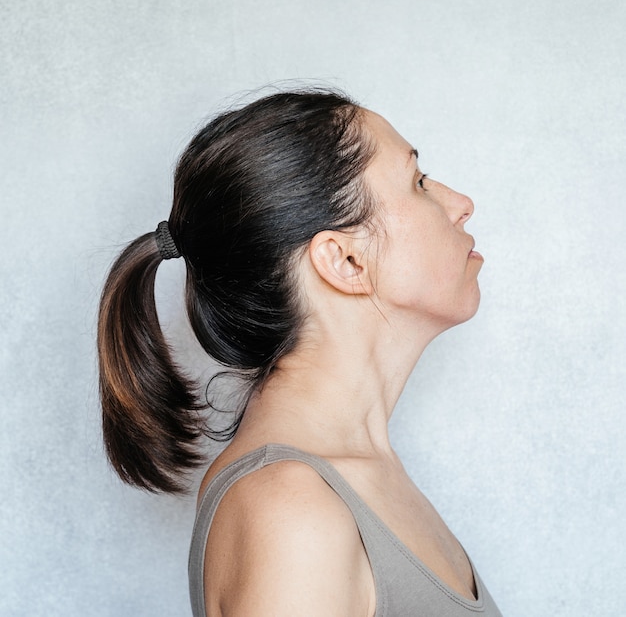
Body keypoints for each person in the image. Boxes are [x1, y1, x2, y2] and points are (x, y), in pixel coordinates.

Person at [98, 89, 502, 617]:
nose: (460, 204)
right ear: (345, 260)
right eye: (418, 183)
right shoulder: (291, 510)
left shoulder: (352, 478)